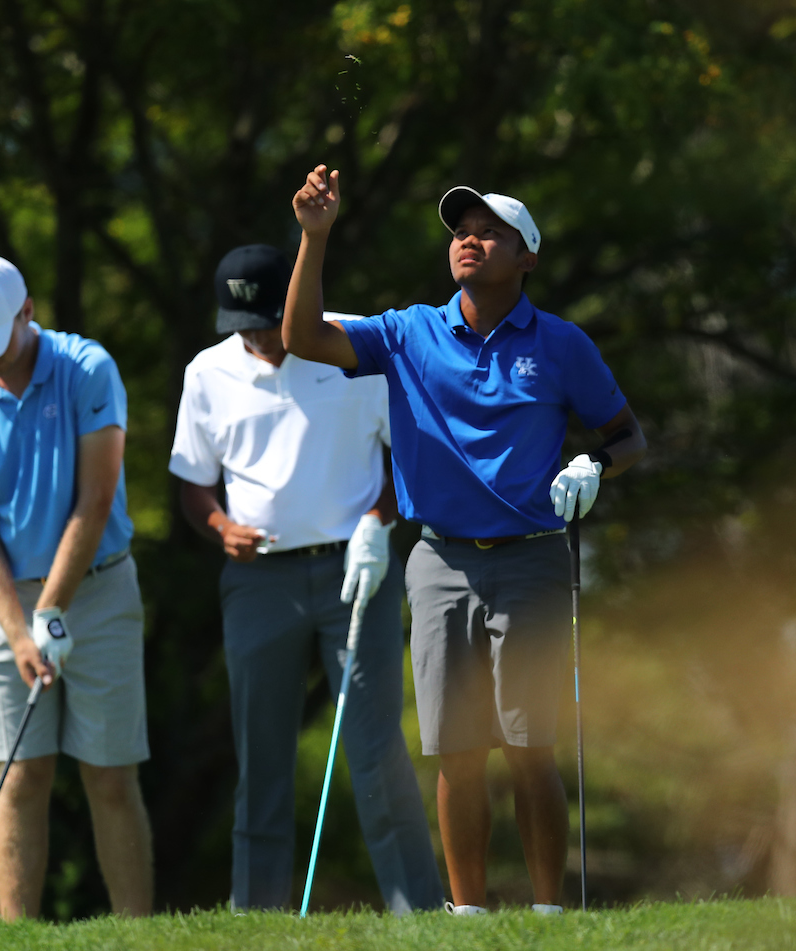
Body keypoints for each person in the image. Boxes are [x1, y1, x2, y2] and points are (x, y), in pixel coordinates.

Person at [282, 168, 647, 914]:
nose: (468, 241)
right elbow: (302, 338)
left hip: (534, 557)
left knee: (530, 746)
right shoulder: (408, 331)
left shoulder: (561, 344)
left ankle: (547, 914)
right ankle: (469, 915)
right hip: (438, 560)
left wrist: (594, 464)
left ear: (526, 257)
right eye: (461, 232)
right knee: (457, 750)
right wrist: (314, 239)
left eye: (489, 233)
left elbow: (627, 435)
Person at [168, 244, 444, 914]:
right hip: (259, 582)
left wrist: (378, 522)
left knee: (375, 749)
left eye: (269, 321)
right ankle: (258, 917)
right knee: (261, 755)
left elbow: (410, 457)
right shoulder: (207, 372)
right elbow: (194, 483)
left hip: (359, 571)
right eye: (245, 326)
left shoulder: (355, 348)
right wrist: (219, 527)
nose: (259, 338)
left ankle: (417, 913)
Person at [0, 254, 153, 919]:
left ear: (28, 312)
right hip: (5, 601)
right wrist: (21, 632)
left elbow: (96, 497)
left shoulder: (88, 370)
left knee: (110, 776)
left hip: (99, 590)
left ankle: (139, 935)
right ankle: (17, 936)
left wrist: (51, 610)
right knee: (19, 774)